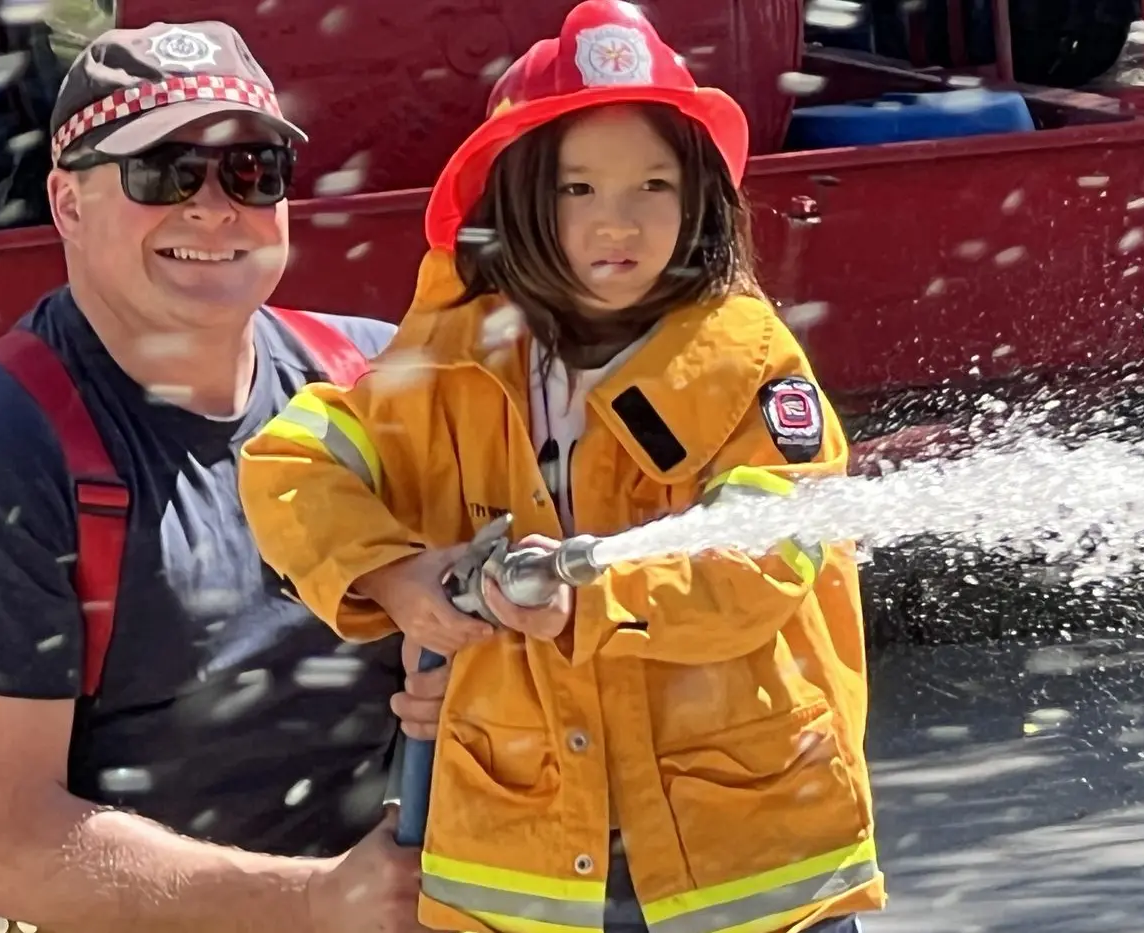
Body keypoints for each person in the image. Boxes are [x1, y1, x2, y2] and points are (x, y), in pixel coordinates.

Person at [238, 1, 886, 931]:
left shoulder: (749, 362)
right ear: (515, 196)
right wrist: (394, 571)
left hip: (745, 869)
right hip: (526, 868)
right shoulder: (453, 357)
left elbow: (770, 558)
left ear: (700, 195)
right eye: (576, 189)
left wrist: (586, 598)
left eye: (653, 187)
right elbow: (291, 459)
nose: (615, 223)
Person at [0, 20, 445, 933]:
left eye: (251, 171)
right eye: (165, 172)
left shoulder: (376, 378)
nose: (213, 207)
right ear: (66, 205)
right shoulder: (6, 443)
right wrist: (316, 901)